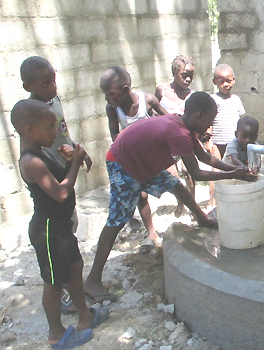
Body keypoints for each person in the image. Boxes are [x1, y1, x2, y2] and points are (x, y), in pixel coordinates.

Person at [83, 92, 257, 303]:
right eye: (210, 121)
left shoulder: (185, 126)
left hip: (142, 162)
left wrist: (232, 168)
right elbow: (197, 173)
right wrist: (231, 174)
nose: (210, 126)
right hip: (124, 163)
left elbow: (203, 156)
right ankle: (92, 280)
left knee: (176, 186)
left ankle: (201, 218)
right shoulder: (179, 134)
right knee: (117, 219)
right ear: (199, 116)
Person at [11, 99, 109, 349]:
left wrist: (68, 162)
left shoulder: (43, 151)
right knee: (54, 283)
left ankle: (84, 317)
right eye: (50, 126)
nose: (56, 131)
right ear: (29, 130)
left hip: (61, 227)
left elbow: (62, 179)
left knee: (75, 269)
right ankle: (55, 333)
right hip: (48, 231)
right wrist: (74, 163)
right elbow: (61, 193)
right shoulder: (30, 161)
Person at [21, 55, 93, 313]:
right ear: (28, 86)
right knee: (60, 239)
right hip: (54, 179)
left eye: (54, 80)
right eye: (45, 84)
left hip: (62, 167)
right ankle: (64, 290)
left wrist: (76, 152)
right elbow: (59, 193)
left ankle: (73, 284)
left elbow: (63, 132)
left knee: (69, 227)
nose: (53, 87)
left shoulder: (54, 102)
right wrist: (71, 164)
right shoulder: (31, 118)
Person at [100, 66, 167, 253]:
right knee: (141, 195)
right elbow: (115, 135)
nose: (107, 99)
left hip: (150, 156)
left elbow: (169, 119)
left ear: (126, 90)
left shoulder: (147, 101)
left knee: (172, 183)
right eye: (105, 95)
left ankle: (194, 216)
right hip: (129, 157)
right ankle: (151, 232)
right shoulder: (113, 109)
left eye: (111, 94)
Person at [155, 55, 196, 216]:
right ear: (174, 72)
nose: (188, 79)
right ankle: (181, 201)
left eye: (191, 75)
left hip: (185, 140)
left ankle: (192, 206)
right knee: (173, 177)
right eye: (184, 75)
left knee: (189, 173)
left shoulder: (192, 95)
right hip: (165, 143)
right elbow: (153, 108)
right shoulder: (162, 90)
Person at [207, 64, 245, 209]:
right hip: (217, 142)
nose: (225, 84)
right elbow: (208, 121)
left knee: (234, 170)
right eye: (221, 81)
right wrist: (209, 141)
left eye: (228, 80)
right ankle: (212, 203)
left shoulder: (236, 99)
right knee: (215, 173)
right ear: (214, 82)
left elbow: (241, 119)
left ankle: (233, 200)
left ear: (233, 80)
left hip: (233, 143)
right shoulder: (213, 100)